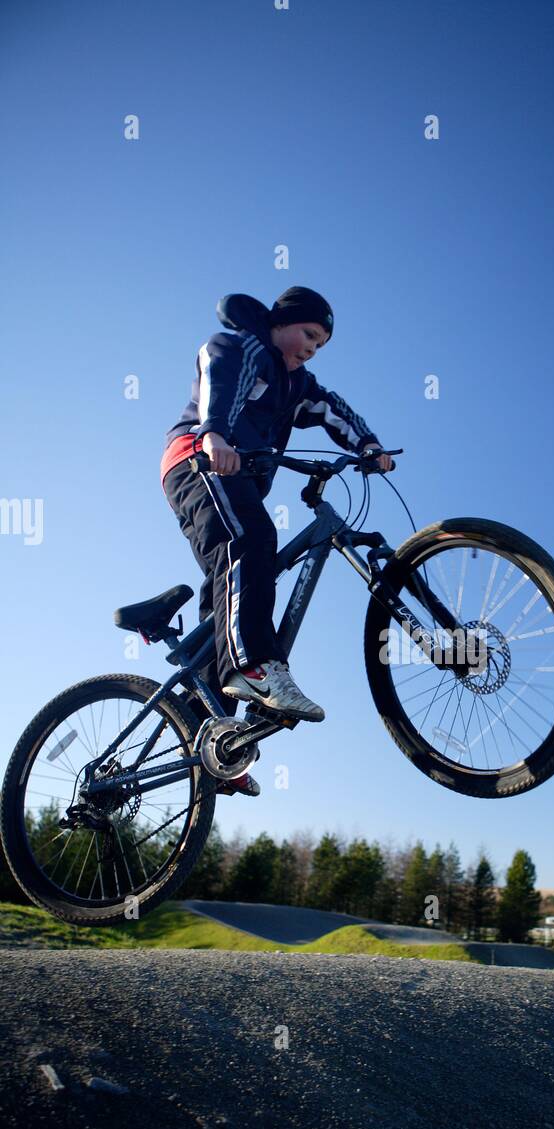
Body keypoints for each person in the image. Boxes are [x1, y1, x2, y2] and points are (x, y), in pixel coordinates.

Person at [160, 286, 392, 796]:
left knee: (229, 585)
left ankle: (211, 739)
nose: (312, 347)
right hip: (198, 459)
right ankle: (255, 665)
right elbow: (216, 367)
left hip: (234, 474)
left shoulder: (298, 384)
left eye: (321, 343)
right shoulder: (247, 348)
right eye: (309, 334)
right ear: (282, 322)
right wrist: (215, 432)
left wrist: (368, 445)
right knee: (253, 540)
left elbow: (335, 411)